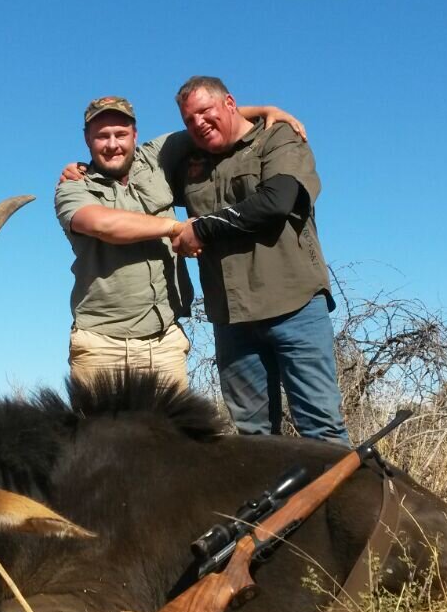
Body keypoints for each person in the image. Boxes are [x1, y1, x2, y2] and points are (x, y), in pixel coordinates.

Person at [55, 95, 304, 390]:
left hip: (165, 343)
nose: (112, 144)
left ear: (134, 134)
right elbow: (103, 224)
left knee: (171, 436)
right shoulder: (73, 188)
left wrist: (264, 109)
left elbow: (207, 123)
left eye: (120, 134)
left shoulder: (157, 155)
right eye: (101, 136)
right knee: (99, 436)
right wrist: (176, 228)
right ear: (87, 140)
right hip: (102, 345)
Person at [169, 76, 349, 445]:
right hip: (232, 319)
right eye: (189, 120)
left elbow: (276, 202)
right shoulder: (189, 161)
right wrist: (82, 167)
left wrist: (201, 229)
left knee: (322, 431)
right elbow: (129, 163)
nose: (198, 123)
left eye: (206, 111)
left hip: (294, 308)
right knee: (254, 440)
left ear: (231, 103)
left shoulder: (277, 137)